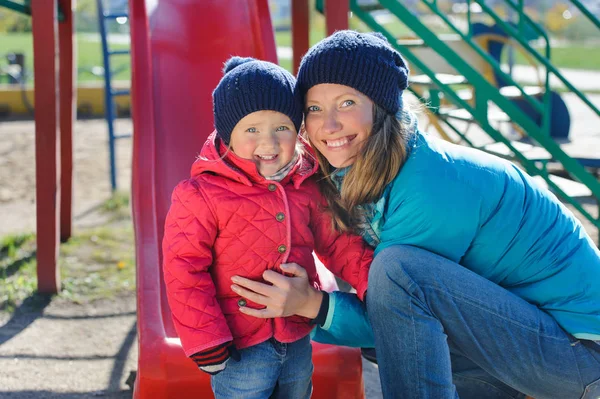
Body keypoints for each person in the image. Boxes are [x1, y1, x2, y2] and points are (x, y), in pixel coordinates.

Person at [229, 31, 600, 399]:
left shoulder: (429, 184)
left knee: (395, 271)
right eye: (314, 108)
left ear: (381, 107)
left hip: (580, 358)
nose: (328, 125)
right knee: (368, 289)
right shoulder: (377, 166)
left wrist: (310, 304)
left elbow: (396, 317)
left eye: (346, 103)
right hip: (532, 336)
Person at [161, 56, 373, 399]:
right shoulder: (201, 194)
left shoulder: (307, 184)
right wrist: (206, 338)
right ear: (228, 135)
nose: (269, 142)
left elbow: (338, 243)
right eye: (252, 130)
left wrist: (373, 287)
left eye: (282, 128)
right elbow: (184, 267)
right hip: (240, 345)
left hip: (296, 336)